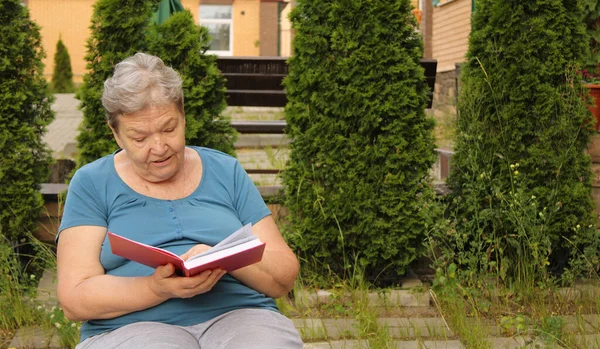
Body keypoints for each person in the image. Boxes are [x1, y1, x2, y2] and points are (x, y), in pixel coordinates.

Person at [56, 52, 303, 349]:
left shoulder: (225, 170)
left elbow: (283, 276)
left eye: (169, 128)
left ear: (183, 116)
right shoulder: (92, 183)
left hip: (240, 316)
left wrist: (222, 258)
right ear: (116, 134)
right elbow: (74, 298)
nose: (159, 147)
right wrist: (155, 288)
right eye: (139, 137)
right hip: (132, 328)